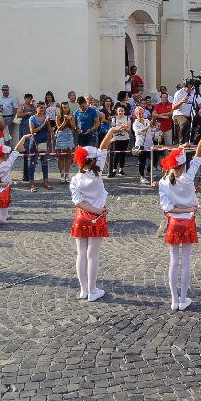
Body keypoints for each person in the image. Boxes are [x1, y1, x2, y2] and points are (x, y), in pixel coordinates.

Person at [158, 125, 201, 311]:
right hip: (188, 221)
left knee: (173, 261)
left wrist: (179, 149)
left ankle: (174, 300)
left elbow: (167, 208)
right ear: (183, 165)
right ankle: (183, 299)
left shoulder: (164, 182)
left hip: (173, 223)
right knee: (186, 261)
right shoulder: (188, 177)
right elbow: (198, 155)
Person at [70, 125, 127, 302]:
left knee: (81, 253)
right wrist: (111, 131)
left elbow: (78, 202)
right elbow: (103, 149)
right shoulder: (98, 173)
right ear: (93, 161)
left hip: (81, 217)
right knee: (92, 255)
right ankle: (92, 290)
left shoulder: (75, 179)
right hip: (97, 217)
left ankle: (83, 290)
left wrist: (109, 135)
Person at [0, 135, 30, 229]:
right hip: (3, 192)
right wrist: (24, 137)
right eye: (7, 153)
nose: (8, 154)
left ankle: (3, 215)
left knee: (4, 214)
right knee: (3, 220)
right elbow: (16, 150)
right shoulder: (8, 163)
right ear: (5, 155)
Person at [25, 103, 52, 191]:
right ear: (37, 109)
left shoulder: (46, 117)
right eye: (40, 108)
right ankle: (32, 183)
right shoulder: (32, 118)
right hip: (35, 142)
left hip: (44, 142)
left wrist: (48, 123)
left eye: (44, 108)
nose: (42, 110)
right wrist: (43, 124)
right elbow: (33, 131)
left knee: (45, 162)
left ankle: (46, 181)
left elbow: (49, 130)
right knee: (32, 162)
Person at [54, 102, 77, 184]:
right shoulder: (58, 116)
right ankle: (62, 174)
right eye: (64, 107)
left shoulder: (72, 116)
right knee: (60, 156)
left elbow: (74, 127)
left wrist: (70, 119)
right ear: (61, 108)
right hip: (61, 136)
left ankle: (67, 174)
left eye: (66, 107)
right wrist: (64, 120)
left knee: (68, 156)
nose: (65, 109)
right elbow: (59, 128)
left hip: (69, 136)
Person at [132, 106, 155, 185]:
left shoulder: (146, 120)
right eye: (139, 114)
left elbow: (152, 129)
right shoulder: (135, 124)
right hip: (141, 145)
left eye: (142, 113)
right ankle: (142, 177)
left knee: (154, 159)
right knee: (142, 162)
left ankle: (148, 171)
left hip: (150, 144)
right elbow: (140, 131)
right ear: (136, 114)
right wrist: (148, 126)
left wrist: (154, 127)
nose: (141, 115)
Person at [107, 105, 131, 178]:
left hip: (125, 138)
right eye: (119, 111)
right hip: (116, 139)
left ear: (124, 111)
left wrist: (124, 128)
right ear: (117, 112)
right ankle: (114, 169)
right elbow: (113, 129)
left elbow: (129, 129)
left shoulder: (127, 118)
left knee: (123, 154)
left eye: (122, 111)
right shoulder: (114, 119)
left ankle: (121, 169)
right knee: (116, 154)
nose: (121, 112)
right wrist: (120, 128)